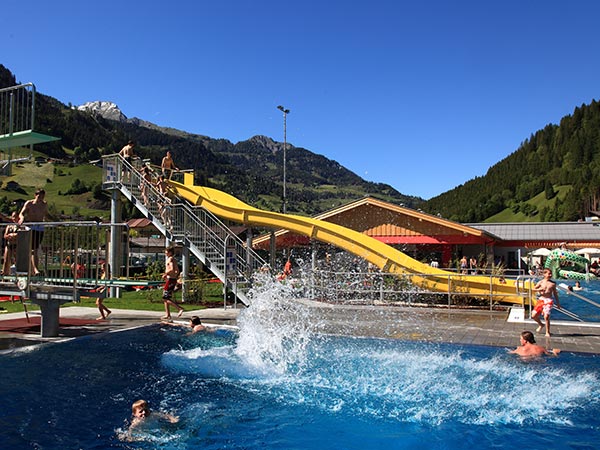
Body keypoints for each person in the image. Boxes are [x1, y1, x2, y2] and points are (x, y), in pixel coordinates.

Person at [18, 188, 49, 276]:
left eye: (42, 196)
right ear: (35, 195)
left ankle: (34, 270)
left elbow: (46, 214)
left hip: (40, 228)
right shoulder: (29, 203)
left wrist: (56, 220)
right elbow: (21, 213)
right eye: (39, 196)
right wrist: (22, 218)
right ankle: (35, 269)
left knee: (36, 249)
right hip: (31, 227)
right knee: (33, 249)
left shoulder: (44, 204)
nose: (41, 198)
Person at [532, 268, 561, 336]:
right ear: (544, 274)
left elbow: (555, 294)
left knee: (546, 316)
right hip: (541, 299)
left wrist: (558, 303)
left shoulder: (552, 284)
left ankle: (547, 332)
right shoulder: (541, 282)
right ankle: (541, 324)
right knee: (533, 316)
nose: (550, 275)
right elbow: (533, 289)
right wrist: (539, 289)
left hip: (549, 300)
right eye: (549, 274)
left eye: (551, 274)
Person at [162, 247, 184, 321]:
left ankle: (179, 308)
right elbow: (177, 270)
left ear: (170, 252)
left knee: (165, 298)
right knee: (165, 297)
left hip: (170, 280)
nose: (165, 253)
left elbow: (171, 269)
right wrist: (175, 276)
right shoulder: (174, 259)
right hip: (171, 279)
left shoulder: (170, 259)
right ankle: (167, 314)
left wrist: (166, 274)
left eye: (166, 251)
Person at [2, 211, 19, 275]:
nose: (14, 218)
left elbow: (21, 233)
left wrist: (14, 235)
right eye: (13, 216)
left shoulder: (19, 225)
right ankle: (5, 274)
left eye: (15, 216)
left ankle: (19, 275)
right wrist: (9, 235)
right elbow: (5, 235)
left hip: (17, 245)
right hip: (9, 244)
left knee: (17, 261)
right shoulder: (9, 225)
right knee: (6, 260)